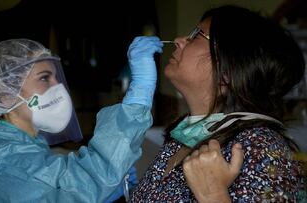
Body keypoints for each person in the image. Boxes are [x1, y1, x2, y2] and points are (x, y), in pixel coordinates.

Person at [130, 5, 306, 202]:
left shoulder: (260, 149)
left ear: (228, 72)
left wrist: (214, 195)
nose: (179, 41)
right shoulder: (183, 136)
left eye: (197, 35)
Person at [0, 37, 163, 202]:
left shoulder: (24, 144)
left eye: (57, 77)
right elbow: (82, 181)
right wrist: (141, 91)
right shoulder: (5, 159)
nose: (58, 88)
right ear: (7, 94)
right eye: (44, 78)